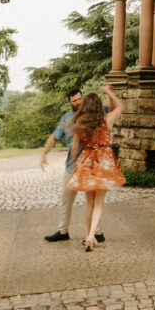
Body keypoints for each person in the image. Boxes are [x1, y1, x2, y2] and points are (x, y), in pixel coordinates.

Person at [40, 87, 105, 244]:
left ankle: (97, 232)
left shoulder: (93, 116)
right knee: (65, 197)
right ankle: (63, 231)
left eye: (80, 99)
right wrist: (44, 153)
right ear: (69, 102)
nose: (78, 102)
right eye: (74, 100)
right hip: (71, 166)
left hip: (89, 166)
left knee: (92, 200)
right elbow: (54, 137)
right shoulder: (66, 118)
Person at [67, 83, 125, 251]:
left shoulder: (80, 123)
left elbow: (74, 147)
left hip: (86, 159)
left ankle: (88, 236)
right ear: (99, 106)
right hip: (103, 160)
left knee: (89, 202)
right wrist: (108, 93)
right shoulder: (107, 120)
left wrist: (74, 163)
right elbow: (120, 106)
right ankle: (91, 237)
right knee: (99, 202)